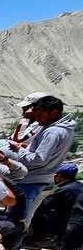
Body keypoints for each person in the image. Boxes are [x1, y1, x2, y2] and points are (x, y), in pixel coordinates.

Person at [10, 95, 77, 227]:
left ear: (54, 113)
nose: (38, 119)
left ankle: (13, 246)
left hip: (30, 179)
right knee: (25, 217)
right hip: (40, 179)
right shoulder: (64, 129)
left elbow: (39, 159)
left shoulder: (52, 132)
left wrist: (18, 151)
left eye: (40, 115)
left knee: (18, 219)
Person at [35, 164, 83, 250]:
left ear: (60, 177)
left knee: (70, 242)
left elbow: (46, 204)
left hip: (77, 219)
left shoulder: (65, 188)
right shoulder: (79, 186)